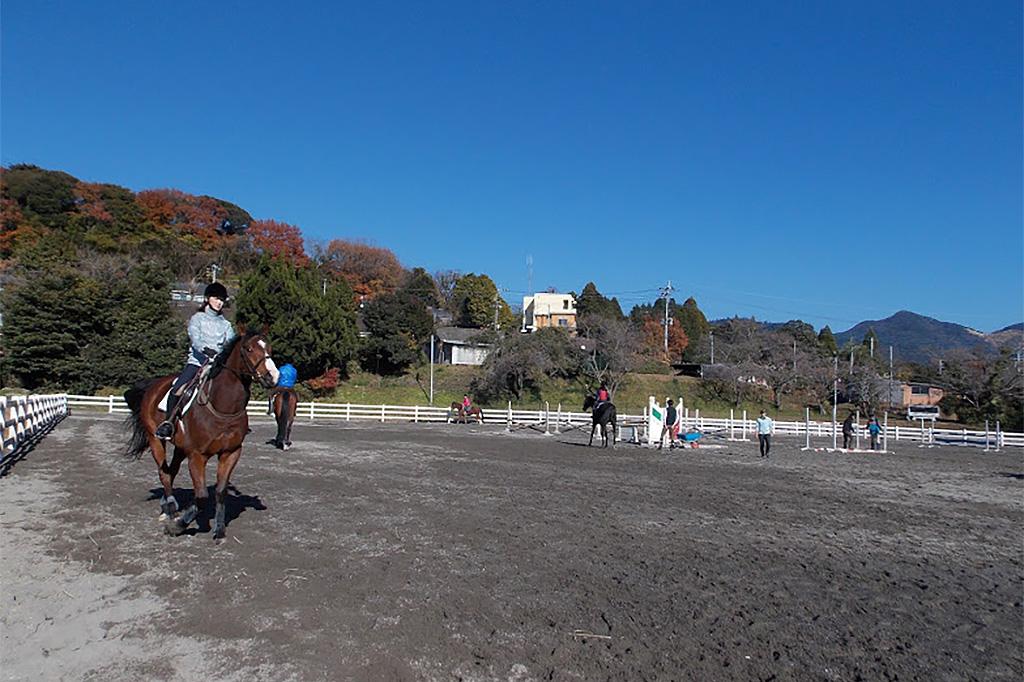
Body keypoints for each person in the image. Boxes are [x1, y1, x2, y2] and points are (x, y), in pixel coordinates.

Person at [155, 282, 236, 439]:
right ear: (207, 299)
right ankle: (168, 423)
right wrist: (205, 349)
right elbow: (195, 338)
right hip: (197, 363)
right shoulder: (197, 319)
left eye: (222, 300)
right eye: (216, 298)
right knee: (179, 388)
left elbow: (230, 344)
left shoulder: (226, 325)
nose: (219, 302)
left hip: (217, 365)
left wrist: (223, 355)